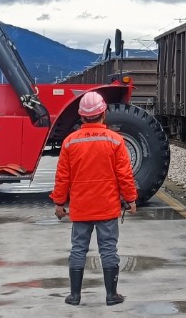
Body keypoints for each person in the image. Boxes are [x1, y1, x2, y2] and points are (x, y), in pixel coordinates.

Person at [51, 92, 137, 306]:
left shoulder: (70, 142)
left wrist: (59, 203)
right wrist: (130, 198)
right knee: (108, 249)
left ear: (82, 116)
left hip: (81, 208)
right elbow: (124, 175)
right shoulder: (115, 141)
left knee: (78, 249)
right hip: (107, 207)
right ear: (103, 114)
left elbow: (62, 177)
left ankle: (75, 296)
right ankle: (111, 295)